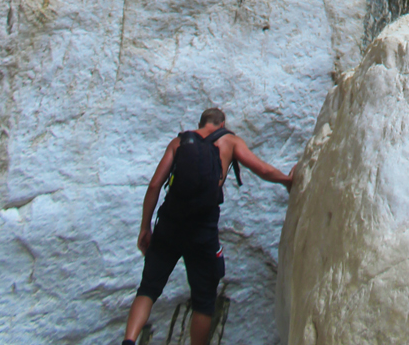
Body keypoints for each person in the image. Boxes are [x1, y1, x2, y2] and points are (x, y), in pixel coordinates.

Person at [121, 106, 296, 345]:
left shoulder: (180, 142)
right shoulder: (229, 141)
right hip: (202, 232)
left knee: (148, 289)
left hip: (169, 225)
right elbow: (262, 169)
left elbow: (154, 186)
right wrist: (287, 180)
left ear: (201, 123)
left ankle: (129, 341)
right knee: (204, 300)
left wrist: (145, 227)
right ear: (222, 124)